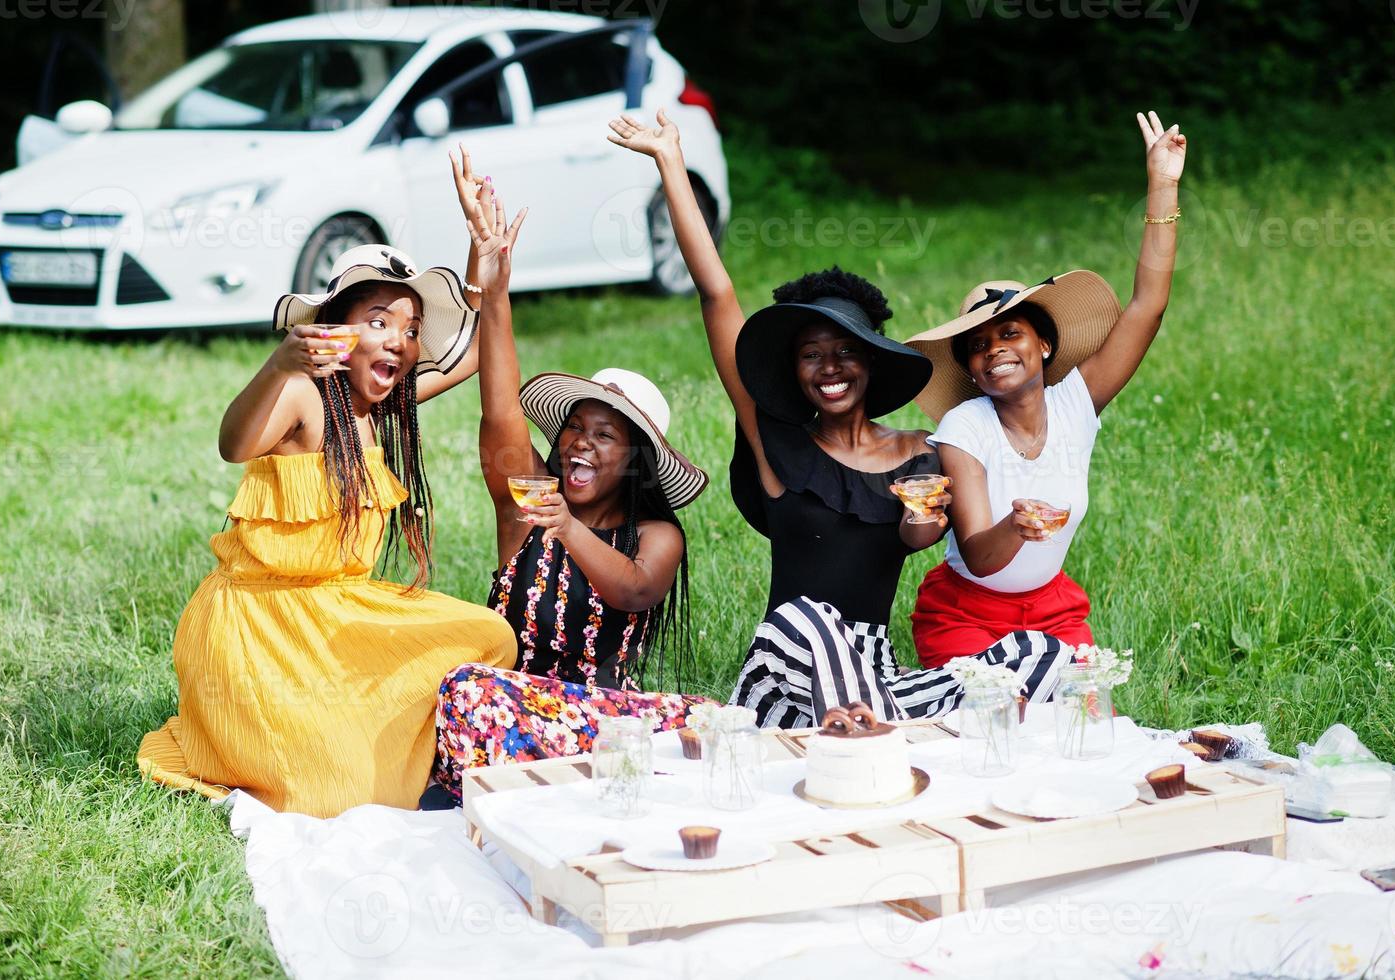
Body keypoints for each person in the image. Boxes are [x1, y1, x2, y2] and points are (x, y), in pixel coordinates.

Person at [610, 111, 1073, 729]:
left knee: (1039, 653)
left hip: (877, 678)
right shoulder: (778, 442)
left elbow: (922, 539)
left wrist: (921, 516)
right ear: (795, 371)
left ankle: (883, 730)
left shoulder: (922, 454)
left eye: (845, 352)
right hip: (788, 670)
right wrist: (671, 162)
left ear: (873, 363)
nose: (829, 368)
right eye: (811, 355)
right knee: (808, 617)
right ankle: (876, 735)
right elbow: (717, 296)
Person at [137, 225, 518, 817]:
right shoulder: (302, 392)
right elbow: (233, 444)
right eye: (379, 321)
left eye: (412, 330)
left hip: (336, 612)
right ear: (333, 334)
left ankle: (410, 747)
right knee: (341, 792)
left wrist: (485, 272)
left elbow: (478, 351)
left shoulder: (382, 404)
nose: (398, 340)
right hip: (257, 628)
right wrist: (277, 365)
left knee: (490, 636)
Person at [429, 164, 710, 804]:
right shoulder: (526, 505)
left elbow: (637, 591)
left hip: (606, 724)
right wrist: (494, 292)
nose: (581, 441)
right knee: (465, 687)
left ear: (635, 459)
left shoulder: (657, 536)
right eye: (574, 427)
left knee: (710, 722)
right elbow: (499, 410)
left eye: (606, 435)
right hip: (506, 713)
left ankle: (567, 778)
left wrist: (568, 528)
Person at [908, 110, 1188, 667]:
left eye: (1009, 333)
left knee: (1085, 726)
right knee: (998, 722)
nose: (995, 350)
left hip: (1053, 609)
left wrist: (1161, 185)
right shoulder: (964, 427)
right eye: (979, 345)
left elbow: (1148, 307)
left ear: (1045, 346)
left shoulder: (1075, 405)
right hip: (966, 615)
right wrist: (1015, 524)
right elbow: (980, 558)